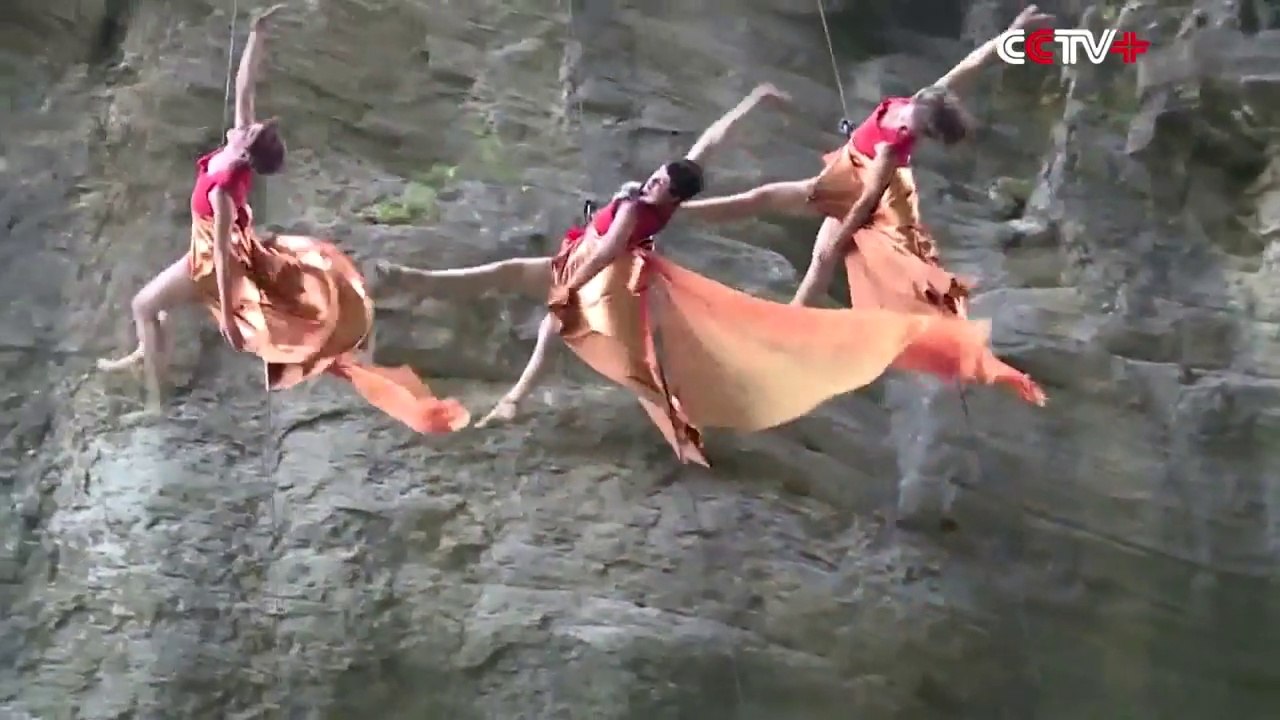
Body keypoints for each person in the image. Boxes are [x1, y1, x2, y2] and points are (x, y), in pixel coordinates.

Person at [376, 83, 1044, 466]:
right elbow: (706, 146)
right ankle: (410, 280)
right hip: (600, 242)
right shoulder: (661, 185)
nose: (658, 176)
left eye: (666, 183)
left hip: (608, 259)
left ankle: (521, 394)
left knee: (560, 322)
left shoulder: (642, 214)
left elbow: (611, 250)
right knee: (503, 274)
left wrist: (574, 285)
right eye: (662, 176)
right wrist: (750, 104)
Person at [96, 4, 468, 434]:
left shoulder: (224, 189)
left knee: (145, 304)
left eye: (249, 130)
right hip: (213, 250)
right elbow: (244, 89)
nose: (244, 126)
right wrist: (258, 34)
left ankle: (154, 400)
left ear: (246, 147)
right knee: (149, 308)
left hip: (213, 262)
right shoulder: (234, 149)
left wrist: (232, 322)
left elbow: (218, 252)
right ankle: (147, 350)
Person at [680, 5, 1054, 315]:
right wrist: (1011, 34)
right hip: (845, 167)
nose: (912, 120)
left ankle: (790, 313)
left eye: (919, 125)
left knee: (812, 246)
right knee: (774, 213)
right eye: (918, 114)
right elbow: (972, 65)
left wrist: (845, 234)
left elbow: (867, 198)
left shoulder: (896, 147)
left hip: (852, 187)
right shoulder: (921, 98)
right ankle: (682, 217)